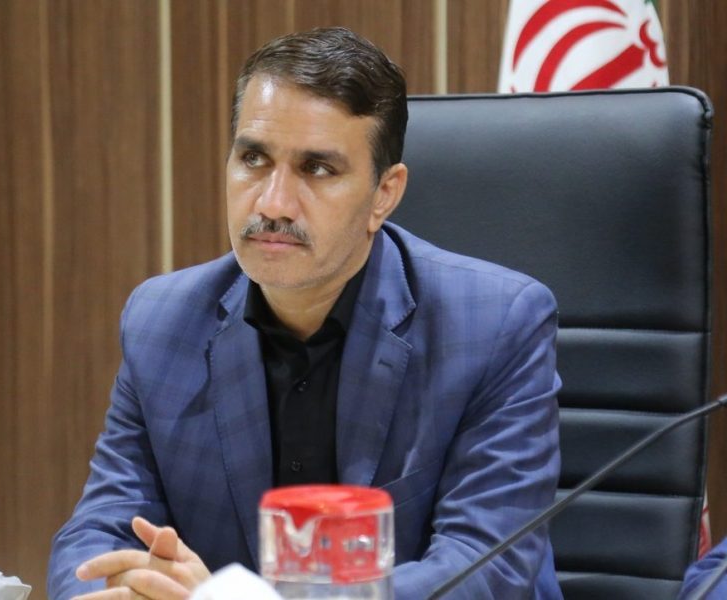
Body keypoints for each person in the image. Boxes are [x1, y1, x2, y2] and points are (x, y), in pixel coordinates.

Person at [48, 27, 562, 599]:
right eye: (254, 159)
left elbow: (484, 569)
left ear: (384, 194)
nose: (273, 203)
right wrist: (116, 589)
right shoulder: (162, 322)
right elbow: (97, 531)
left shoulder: (495, 325)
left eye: (317, 169)